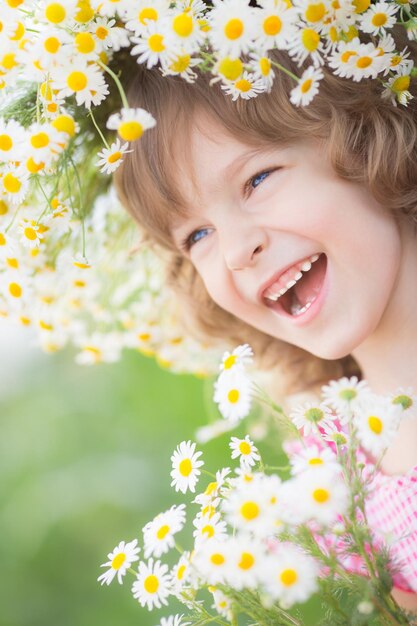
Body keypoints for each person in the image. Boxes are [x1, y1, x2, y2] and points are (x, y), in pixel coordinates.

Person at [114, 44, 417, 609]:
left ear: (364, 133)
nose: (233, 251)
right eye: (196, 236)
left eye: (257, 179)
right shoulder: (332, 462)